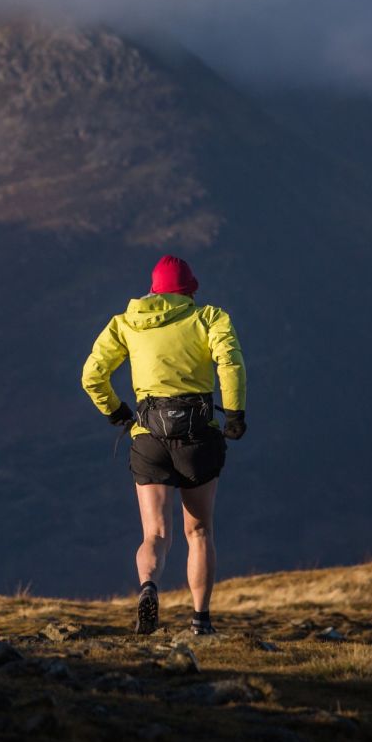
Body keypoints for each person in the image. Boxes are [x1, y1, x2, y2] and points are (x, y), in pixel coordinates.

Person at [81, 255, 246, 635]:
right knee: (199, 531)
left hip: (149, 436)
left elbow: (92, 375)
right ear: (190, 289)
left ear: (153, 289)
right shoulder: (209, 318)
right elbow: (231, 364)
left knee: (154, 534)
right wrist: (234, 414)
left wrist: (116, 411)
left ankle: (149, 587)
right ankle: (200, 622)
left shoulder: (125, 323)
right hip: (198, 436)